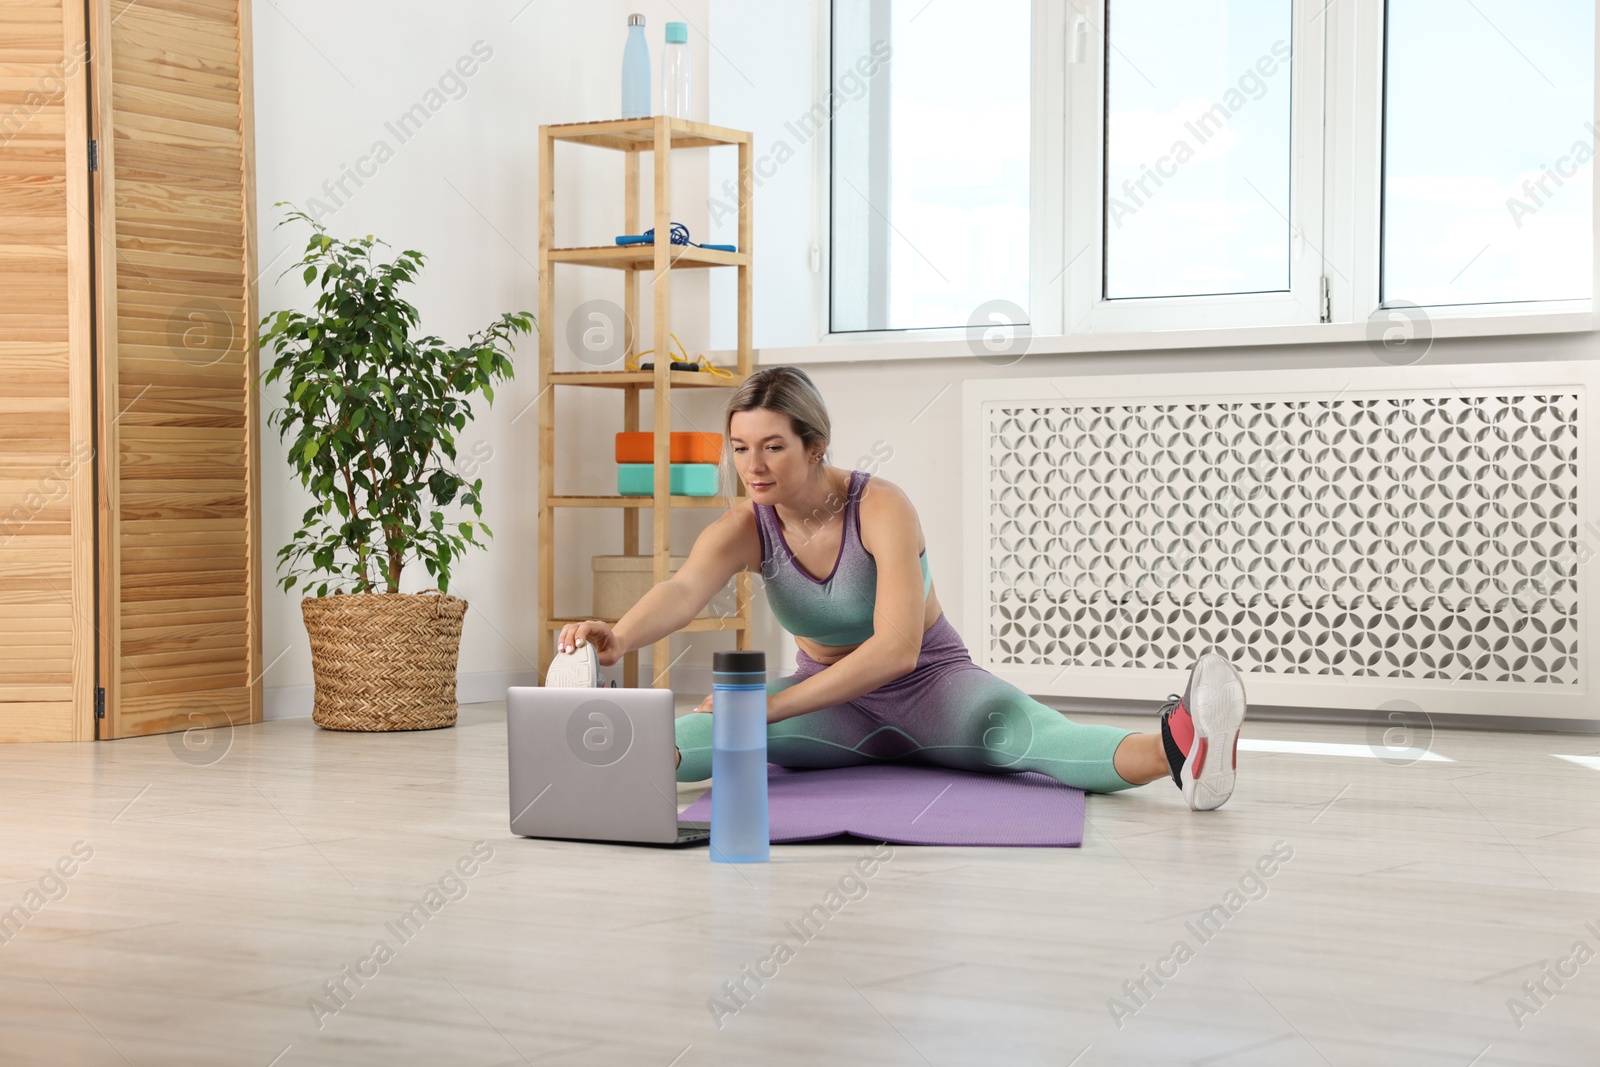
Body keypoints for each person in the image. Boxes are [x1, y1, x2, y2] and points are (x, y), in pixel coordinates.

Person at [555, 367, 1248, 811]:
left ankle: (1185, 749)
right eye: (739, 446)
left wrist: (766, 710)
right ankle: (587, 767)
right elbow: (683, 589)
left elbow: (895, 650)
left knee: (1043, 741)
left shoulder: (881, 506)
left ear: (815, 443)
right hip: (829, 708)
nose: (752, 465)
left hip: (935, 690)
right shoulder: (748, 525)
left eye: (773, 445)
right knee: (683, 743)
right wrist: (618, 634)